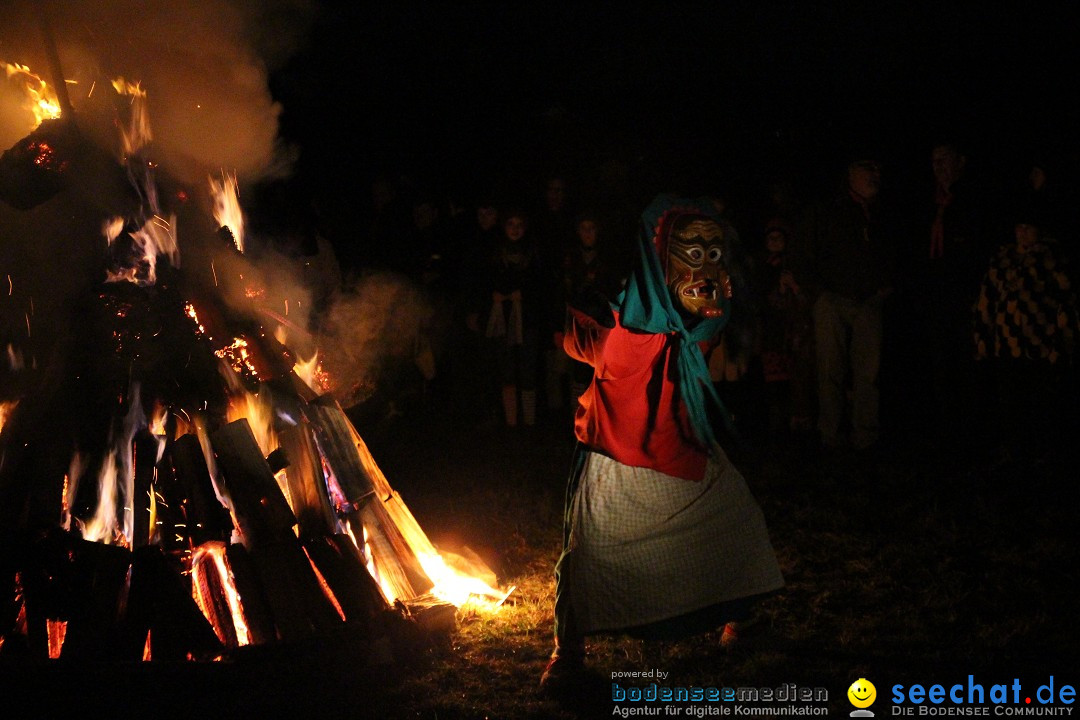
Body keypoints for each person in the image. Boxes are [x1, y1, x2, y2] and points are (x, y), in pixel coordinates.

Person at [540, 194, 784, 692]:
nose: (704, 270)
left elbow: (713, 313)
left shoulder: (696, 322)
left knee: (735, 520)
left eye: (712, 257)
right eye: (691, 256)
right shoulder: (618, 330)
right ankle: (567, 654)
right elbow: (575, 336)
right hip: (615, 454)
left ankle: (736, 617)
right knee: (589, 555)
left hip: (682, 445)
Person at [797, 154, 896, 452]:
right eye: (869, 168)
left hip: (869, 301)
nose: (875, 175)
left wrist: (886, 287)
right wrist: (818, 292)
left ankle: (865, 435)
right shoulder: (828, 211)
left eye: (878, 169)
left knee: (869, 372)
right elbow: (803, 252)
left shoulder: (883, 214)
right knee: (830, 370)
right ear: (851, 173)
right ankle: (831, 434)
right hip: (833, 300)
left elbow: (895, 253)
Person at [972, 202, 1079, 461]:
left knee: (1041, 401)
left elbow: (1067, 301)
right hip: (1007, 343)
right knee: (1009, 400)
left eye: (1028, 228)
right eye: (1018, 228)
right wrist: (981, 338)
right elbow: (986, 299)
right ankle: (1014, 448)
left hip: (1040, 343)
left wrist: (1064, 343)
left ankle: (1043, 451)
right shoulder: (1002, 257)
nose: (1022, 233)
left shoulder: (1051, 258)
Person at [483, 208, 544, 428]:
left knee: (528, 370)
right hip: (502, 320)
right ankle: (511, 422)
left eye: (519, 225)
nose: (515, 229)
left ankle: (528, 422)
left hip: (527, 320)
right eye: (511, 224)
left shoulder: (533, 253)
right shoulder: (496, 253)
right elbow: (487, 280)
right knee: (506, 371)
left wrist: (524, 295)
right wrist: (495, 295)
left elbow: (540, 284)